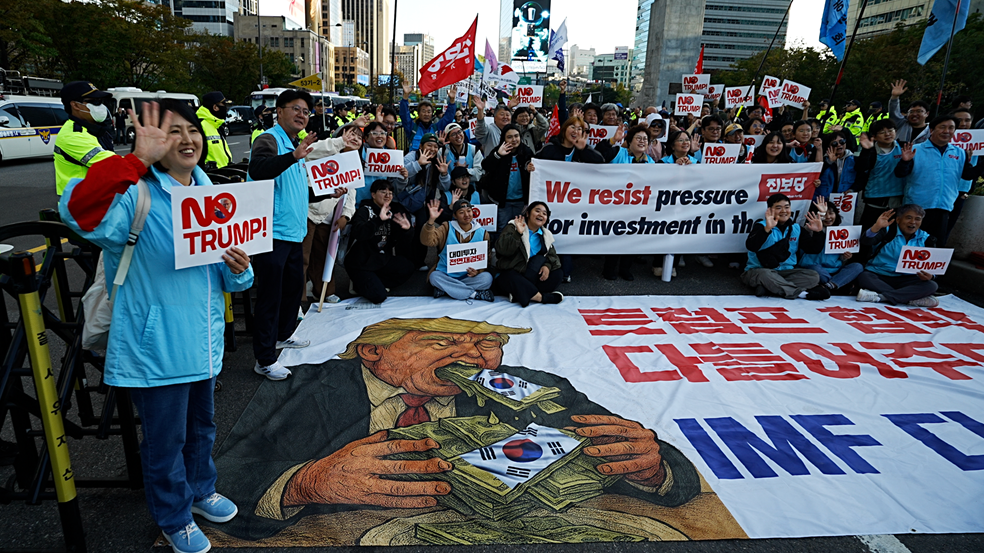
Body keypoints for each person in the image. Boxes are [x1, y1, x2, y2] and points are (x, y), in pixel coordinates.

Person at [211, 316, 703, 541]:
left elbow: (653, 458)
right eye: (442, 340)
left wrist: (652, 465)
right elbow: (226, 473)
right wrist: (304, 483)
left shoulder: (531, 388)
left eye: (487, 342)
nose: (473, 356)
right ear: (373, 350)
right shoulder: (301, 389)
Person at [59, 100, 253, 553]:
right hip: (158, 347)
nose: (187, 140)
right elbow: (76, 210)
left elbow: (228, 276)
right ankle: (174, 515)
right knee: (165, 441)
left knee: (202, 429)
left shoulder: (215, 198)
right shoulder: (136, 195)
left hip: (203, 343)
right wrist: (135, 162)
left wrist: (240, 270)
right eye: (173, 132)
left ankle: (201, 490)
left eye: (192, 131)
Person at [247, 89, 319, 381]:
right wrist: (293, 155)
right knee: (270, 297)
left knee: (292, 291)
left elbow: (296, 189)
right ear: (279, 111)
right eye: (296, 109)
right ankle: (263, 359)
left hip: (293, 233)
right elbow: (259, 169)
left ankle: (283, 335)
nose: (302, 115)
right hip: (271, 234)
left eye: (306, 111)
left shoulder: (295, 145)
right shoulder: (268, 139)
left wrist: (328, 191)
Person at [894, 114, 984, 244]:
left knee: (935, 245)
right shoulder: (915, 149)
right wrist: (905, 162)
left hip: (944, 207)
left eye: (951, 128)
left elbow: (967, 174)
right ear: (931, 130)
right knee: (911, 245)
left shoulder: (960, 152)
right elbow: (900, 174)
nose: (947, 131)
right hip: (916, 207)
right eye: (942, 127)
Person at [535, 116, 605, 281]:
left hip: (572, 204)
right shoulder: (550, 148)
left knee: (566, 234)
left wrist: (584, 149)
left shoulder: (581, 150)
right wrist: (529, 167)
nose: (576, 131)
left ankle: (563, 271)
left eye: (579, 128)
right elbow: (535, 163)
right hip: (550, 201)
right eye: (572, 127)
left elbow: (600, 162)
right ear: (564, 129)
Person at [301, 123, 363, 304]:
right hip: (308, 213)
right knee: (301, 260)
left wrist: (347, 215)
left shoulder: (353, 162)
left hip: (329, 219)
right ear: (340, 134)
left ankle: (324, 292)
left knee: (323, 257)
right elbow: (309, 153)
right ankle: (297, 301)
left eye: (359, 138)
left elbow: (351, 194)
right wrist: (338, 142)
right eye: (351, 135)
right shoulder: (326, 149)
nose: (355, 140)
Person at [594, 124, 655, 280]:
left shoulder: (652, 164)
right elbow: (597, 155)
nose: (642, 141)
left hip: (638, 208)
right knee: (615, 237)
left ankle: (625, 269)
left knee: (632, 238)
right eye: (638, 138)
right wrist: (613, 140)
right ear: (629, 140)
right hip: (615, 205)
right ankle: (609, 269)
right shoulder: (617, 152)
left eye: (645, 139)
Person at [741, 193, 828, 300]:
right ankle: (802, 294)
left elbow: (813, 249)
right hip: (760, 270)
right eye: (778, 207)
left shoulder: (796, 228)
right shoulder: (762, 225)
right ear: (770, 210)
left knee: (813, 276)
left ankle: (769, 287)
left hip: (785, 272)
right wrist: (767, 229)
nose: (784, 211)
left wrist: (818, 232)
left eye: (787, 207)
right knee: (765, 275)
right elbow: (751, 246)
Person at [344, 180, 415, 304]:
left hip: (380, 260)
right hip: (360, 263)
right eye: (383, 192)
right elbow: (359, 233)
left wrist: (407, 231)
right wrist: (378, 220)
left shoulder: (392, 211)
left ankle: (375, 281)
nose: (388, 195)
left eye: (390, 193)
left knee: (408, 267)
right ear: (373, 195)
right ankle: (358, 284)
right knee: (379, 296)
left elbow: (397, 242)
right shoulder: (364, 210)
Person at [856, 205, 939, 307]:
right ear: (898, 220)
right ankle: (909, 299)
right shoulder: (888, 231)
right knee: (864, 276)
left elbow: (933, 266)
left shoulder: (927, 239)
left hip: (908, 279)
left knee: (931, 285)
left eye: (917, 219)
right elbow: (866, 241)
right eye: (909, 218)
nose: (913, 222)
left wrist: (931, 275)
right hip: (880, 275)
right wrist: (876, 227)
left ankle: (881, 297)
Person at [421, 199, 494, 302]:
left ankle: (447, 290)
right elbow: (427, 241)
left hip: (468, 277)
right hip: (446, 274)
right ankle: (474, 294)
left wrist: (478, 271)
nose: (466, 214)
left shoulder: (482, 233)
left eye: (469, 211)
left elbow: (487, 260)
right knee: (434, 277)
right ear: (455, 215)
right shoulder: (446, 227)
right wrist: (431, 221)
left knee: (487, 278)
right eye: (461, 212)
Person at [53, 81, 117, 195]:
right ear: (75, 105)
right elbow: (113, 166)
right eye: (95, 102)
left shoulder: (95, 129)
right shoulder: (72, 135)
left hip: (98, 201)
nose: (101, 106)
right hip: (81, 207)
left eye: (102, 102)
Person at [494, 202, 564, 306]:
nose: (541, 215)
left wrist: (547, 266)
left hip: (530, 274)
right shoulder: (514, 226)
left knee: (557, 274)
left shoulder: (546, 235)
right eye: (537, 211)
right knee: (510, 277)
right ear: (527, 214)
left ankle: (520, 292)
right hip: (512, 272)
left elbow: (554, 258)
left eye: (544, 213)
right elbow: (502, 250)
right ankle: (541, 297)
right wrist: (518, 234)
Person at [797, 201, 863, 293]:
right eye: (825, 214)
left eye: (831, 213)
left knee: (857, 266)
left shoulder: (842, 232)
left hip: (835, 270)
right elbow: (809, 229)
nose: (828, 217)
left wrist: (844, 257)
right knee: (815, 270)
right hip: (814, 268)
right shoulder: (810, 229)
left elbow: (841, 255)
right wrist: (820, 214)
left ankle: (829, 285)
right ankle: (837, 285)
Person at [480, 124, 535, 232]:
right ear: (503, 138)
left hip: (521, 202)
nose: (514, 139)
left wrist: (530, 168)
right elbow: (486, 166)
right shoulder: (498, 150)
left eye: (516, 136)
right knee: (503, 230)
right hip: (502, 201)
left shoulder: (527, 152)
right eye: (509, 137)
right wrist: (498, 155)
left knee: (521, 231)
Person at [855, 119, 905, 232]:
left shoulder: (904, 147)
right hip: (874, 198)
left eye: (890, 130)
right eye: (882, 132)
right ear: (875, 136)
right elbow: (860, 168)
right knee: (868, 231)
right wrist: (866, 151)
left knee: (892, 233)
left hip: (897, 198)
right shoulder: (870, 150)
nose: (887, 134)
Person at [946, 106, 981, 244]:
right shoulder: (942, 138)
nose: (963, 123)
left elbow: (976, 170)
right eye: (959, 120)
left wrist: (967, 191)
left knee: (948, 226)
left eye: (967, 120)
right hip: (942, 189)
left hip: (961, 190)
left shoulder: (977, 140)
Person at [400, 80, 457, 151]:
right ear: (419, 113)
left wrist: (452, 100)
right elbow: (404, 115)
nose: (426, 114)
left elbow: (448, 118)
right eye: (423, 111)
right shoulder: (412, 128)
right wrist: (405, 96)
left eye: (429, 111)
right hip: (416, 160)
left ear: (432, 114)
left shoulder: (437, 128)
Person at [815, 130, 858, 199]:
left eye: (842, 142)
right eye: (834, 143)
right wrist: (829, 162)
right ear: (828, 146)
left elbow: (861, 178)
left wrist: (852, 189)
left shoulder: (854, 159)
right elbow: (816, 175)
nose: (839, 145)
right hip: (824, 199)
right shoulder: (823, 159)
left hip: (845, 200)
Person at [197, 91, 234, 170]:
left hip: (222, 174)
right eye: (224, 105)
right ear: (215, 107)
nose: (226, 109)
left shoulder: (216, 125)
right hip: (209, 177)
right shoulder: (199, 125)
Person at [440, 121, 484, 188]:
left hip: (470, 190)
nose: (458, 136)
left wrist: (464, 170)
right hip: (450, 190)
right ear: (448, 138)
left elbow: (479, 173)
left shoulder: (474, 150)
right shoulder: (443, 152)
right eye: (453, 134)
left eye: (459, 132)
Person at [888, 79, 930, 144]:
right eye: (911, 112)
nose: (914, 114)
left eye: (919, 111)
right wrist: (895, 97)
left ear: (927, 113)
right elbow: (894, 112)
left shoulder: (932, 130)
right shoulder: (901, 124)